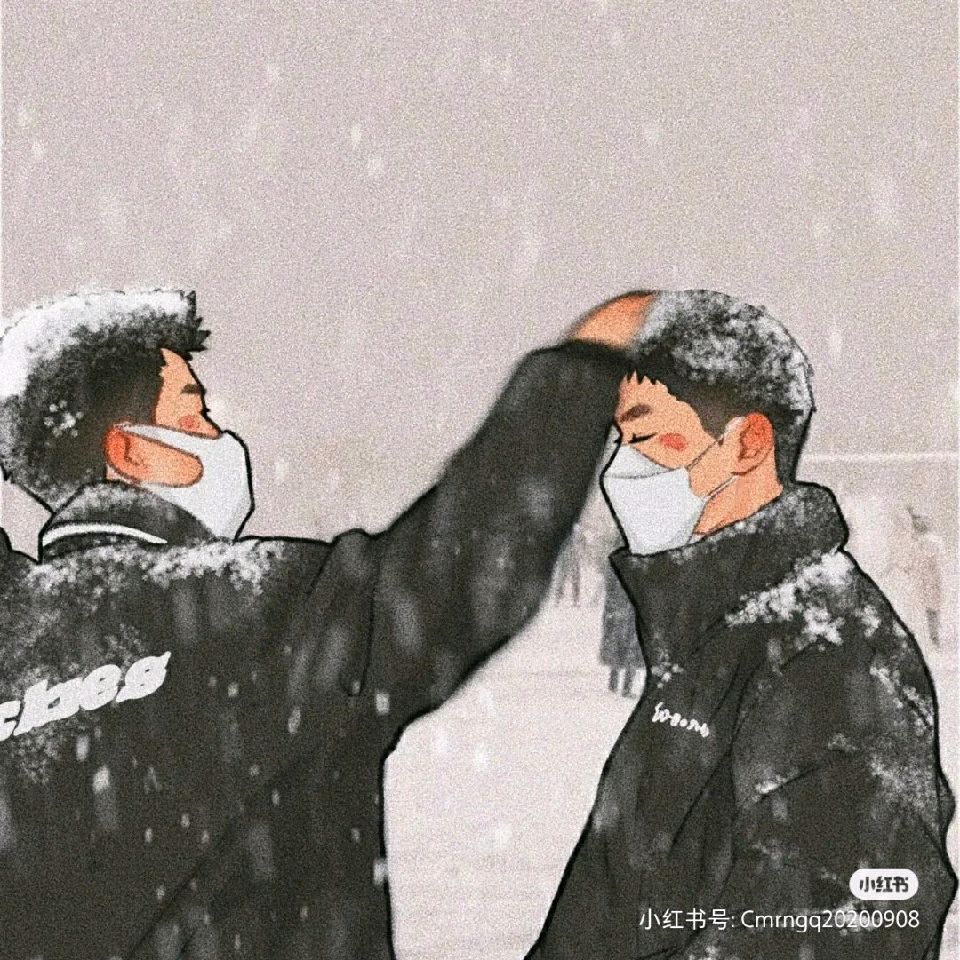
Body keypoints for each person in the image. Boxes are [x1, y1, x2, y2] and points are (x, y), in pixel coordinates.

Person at [0, 288, 641, 960]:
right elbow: (462, 566)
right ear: (133, 454)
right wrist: (586, 365)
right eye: (197, 415)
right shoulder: (256, 603)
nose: (223, 439)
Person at [527, 290, 957, 960]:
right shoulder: (717, 637)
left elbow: (844, 925)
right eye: (621, 441)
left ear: (748, 443)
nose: (620, 470)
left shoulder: (832, 659)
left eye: (647, 437)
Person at [598, 563, 641, 697]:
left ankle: (615, 684)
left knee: (619, 646)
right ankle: (624, 687)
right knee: (630, 647)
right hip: (628, 610)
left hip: (619, 610)